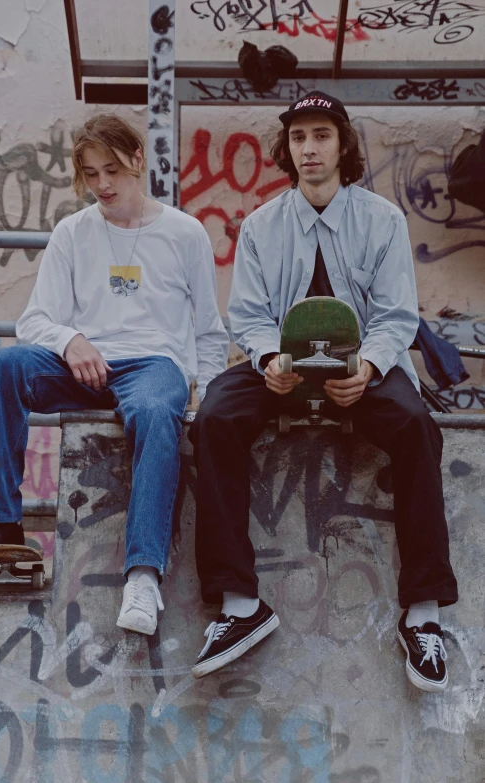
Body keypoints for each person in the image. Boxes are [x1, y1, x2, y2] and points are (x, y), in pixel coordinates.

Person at [189, 91, 458, 692]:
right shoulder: (261, 224)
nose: (308, 148)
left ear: (343, 146)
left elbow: (395, 316)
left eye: (321, 136)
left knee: (417, 427)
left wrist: (368, 366)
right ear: (286, 150)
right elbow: (250, 314)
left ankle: (423, 616)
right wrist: (265, 359)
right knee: (214, 418)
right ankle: (238, 605)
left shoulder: (382, 219)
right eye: (298, 138)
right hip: (281, 369)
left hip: (361, 370)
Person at [0, 114, 229, 635]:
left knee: (156, 410)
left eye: (112, 170)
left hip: (156, 365)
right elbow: (34, 320)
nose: (102, 185)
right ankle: (0, 523)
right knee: (3, 368)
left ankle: (143, 574)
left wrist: (210, 396)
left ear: (137, 161)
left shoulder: (184, 232)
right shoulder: (72, 232)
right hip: (81, 364)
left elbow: (210, 329)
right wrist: (71, 339)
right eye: (90, 174)